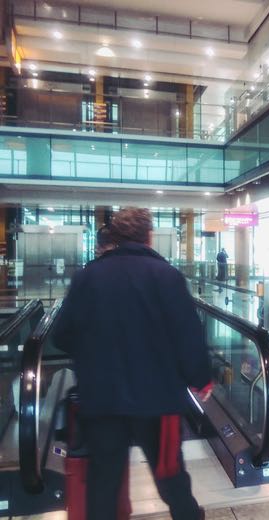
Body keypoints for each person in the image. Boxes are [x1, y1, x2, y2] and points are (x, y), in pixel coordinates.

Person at [53, 207, 211, 520]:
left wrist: (93, 356)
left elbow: (62, 336)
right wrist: (200, 378)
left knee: (103, 478)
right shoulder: (166, 276)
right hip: (158, 399)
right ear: (149, 236)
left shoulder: (87, 277)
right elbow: (187, 333)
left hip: (102, 398)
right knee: (169, 474)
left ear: (114, 237)